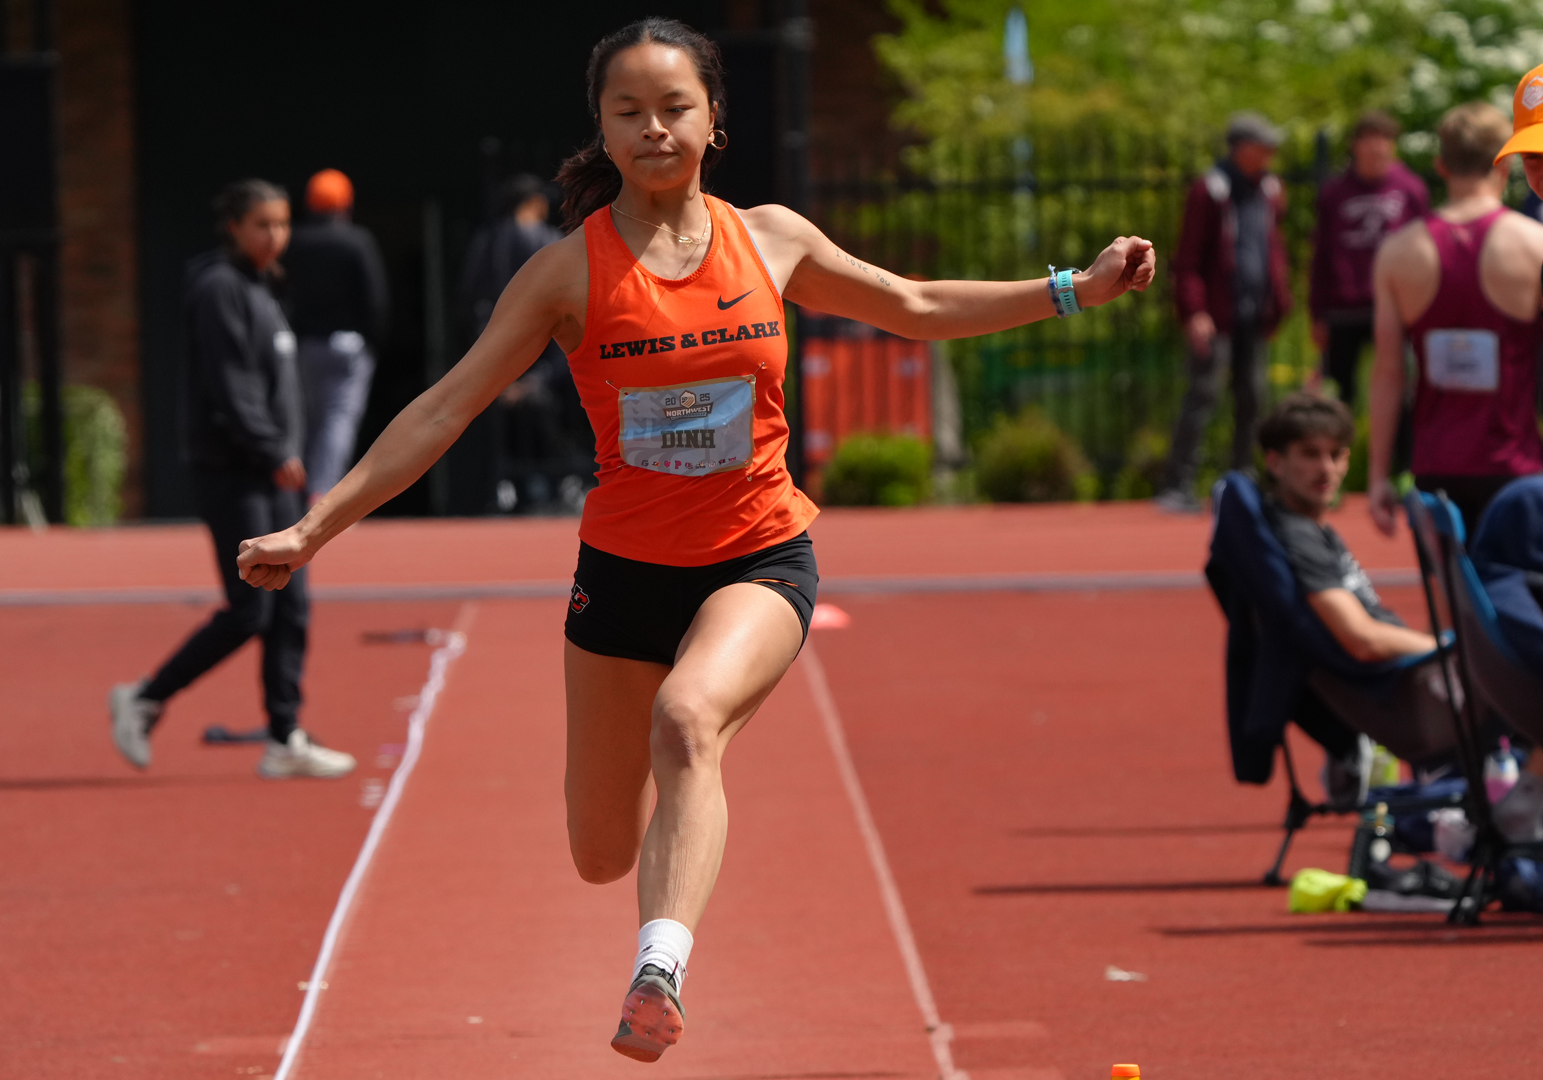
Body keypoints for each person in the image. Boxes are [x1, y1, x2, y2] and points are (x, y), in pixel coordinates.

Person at [233, 18, 1155, 1061]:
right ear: (603, 128)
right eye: (629, 110)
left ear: (714, 121)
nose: (654, 127)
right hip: (622, 580)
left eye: (675, 107)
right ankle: (650, 900)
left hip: (757, 555)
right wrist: (315, 528)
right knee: (599, 849)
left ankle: (657, 966)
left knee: (689, 722)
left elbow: (913, 303)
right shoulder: (565, 275)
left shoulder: (769, 238)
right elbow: (442, 411)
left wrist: (1078, 287)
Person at [108, 180, 354, 781]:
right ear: (233, 228)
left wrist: (287, 454)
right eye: (262, 226)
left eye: (283, 224)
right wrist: (271, 447)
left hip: (276, 473)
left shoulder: (264, 286)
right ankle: (144, 697)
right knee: (251, 607)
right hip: (236, 471)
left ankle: (283, 737)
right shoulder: (218, 287)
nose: (275, 237)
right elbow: (230, 382)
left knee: (291, 606)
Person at [1370, 101, 1543, 539]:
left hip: (1434, 467)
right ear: (1504, 166)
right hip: (1515, 467)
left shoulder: (1397, 252)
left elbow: (1388, 371)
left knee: (1452, 604)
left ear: (1440, 166)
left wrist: (1376, 478)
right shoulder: (1533, 244)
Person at [1256, 392, 1439, 805]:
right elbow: (1362, 639)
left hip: (1406, 681)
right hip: (1404, 694)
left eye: (1337, 455)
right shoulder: (1297, 538)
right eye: (1310, 454)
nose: (1327, 469)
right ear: (1274, 461)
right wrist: (1449, 651)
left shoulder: (1310, 528)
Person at [1157, 112, 1292, 513]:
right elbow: (1188, 258)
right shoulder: (1210, 189)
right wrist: (1194, 311)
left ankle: (1243, 481)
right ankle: (1177, 483)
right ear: (1241, 147)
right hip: (1217, 315)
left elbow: (1274, 250)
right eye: (1262, 145)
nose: (1270, 153)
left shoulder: (1270, 189)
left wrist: (1279, 302)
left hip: (1254, 314)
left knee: (1252, 398)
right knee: (1203, 396)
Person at [457, 173, 592, 512]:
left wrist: (502, 375)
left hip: (498, 367)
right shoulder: (551, 242)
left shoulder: (486, 242)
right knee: (553, 427)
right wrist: (540, 377)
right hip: (552, 371)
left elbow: (471, 305)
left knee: (506, 436)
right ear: (532, 203)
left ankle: (508, 489)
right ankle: (561, 484)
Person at [1308, 111, 1430, 408]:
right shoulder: (1334, 193)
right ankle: (1339, 450)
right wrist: (1317, 312)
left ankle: (1402, 453)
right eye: (1370, 141)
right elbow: (1320, 254)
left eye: (1385, 141)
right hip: (1343, 307)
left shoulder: (1410, 189)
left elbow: (1423, 251)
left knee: (1401, 388)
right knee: (1339, 390)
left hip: (1394, 305)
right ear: (1355, 145)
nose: (1377, 149)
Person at [280, 169, 388, 498]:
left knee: (306, 420)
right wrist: (374, 340)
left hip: (303, 344)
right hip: (348, 345)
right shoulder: (356, 240)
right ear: (346, 204)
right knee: (338, 418)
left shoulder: (294, 242)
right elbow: (375, 299)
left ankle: (298, 492)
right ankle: (322, 492)